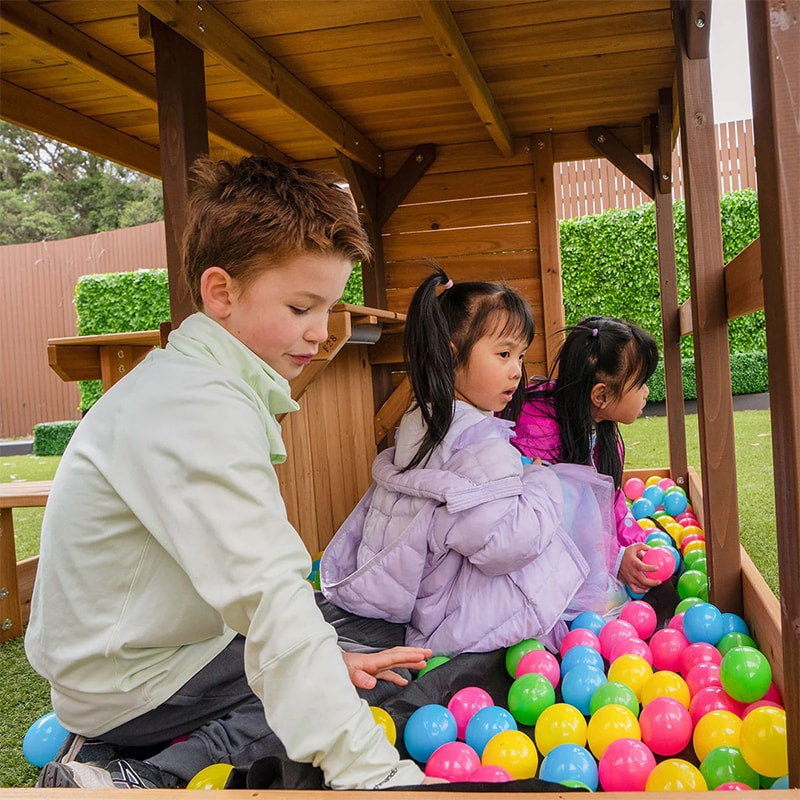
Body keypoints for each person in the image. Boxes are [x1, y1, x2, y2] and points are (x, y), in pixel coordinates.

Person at [25, 156, 435, 791]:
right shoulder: (194, 408)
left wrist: (326, 659)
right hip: (125, 683)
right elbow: (266, 593)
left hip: (147, 654)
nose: (321, 332)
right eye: (302, 306)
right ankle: (142, 776)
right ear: (221, 292)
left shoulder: (206, 385)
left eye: (327, 308)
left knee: (343, 644)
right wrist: (374, 772)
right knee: (320, 673)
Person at [321, 265, 591, 656]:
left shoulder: (421, 417)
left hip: (413, 590)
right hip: (447, 613)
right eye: (503, 354)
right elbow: (508, 543)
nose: (517, 371)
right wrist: (541, 480)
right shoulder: (480, 441)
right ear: (451, 355)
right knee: (551, 550)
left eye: (520, 355)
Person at [511, 315, 662, 596]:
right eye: (640, 383)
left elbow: (610, 498)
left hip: (584, 551)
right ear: (601, 396)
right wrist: (615, 557)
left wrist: (632, 545)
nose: (646, 392)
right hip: (540, 567)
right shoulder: (537, 436)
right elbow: (560, 520)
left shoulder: (603, 434)